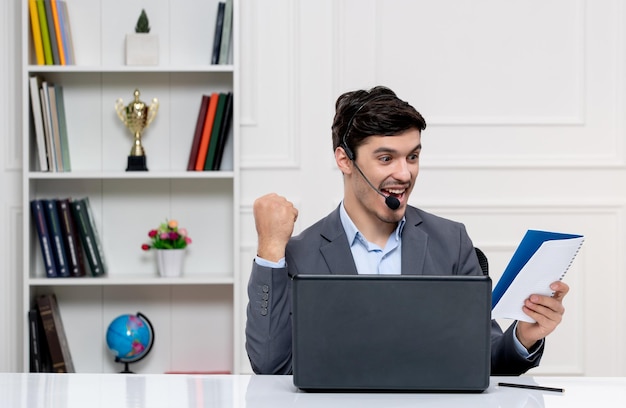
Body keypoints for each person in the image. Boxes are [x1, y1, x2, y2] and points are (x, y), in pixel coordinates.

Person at [245, 85, 569, 376]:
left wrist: (523, 336)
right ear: (345, 161)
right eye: (386, 158)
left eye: (412, 156)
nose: (404, 173)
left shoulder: (451, 242)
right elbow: (271, 366)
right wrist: (271, 250)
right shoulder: (301, 253)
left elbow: (484, 358)